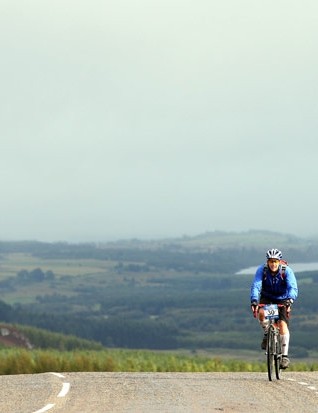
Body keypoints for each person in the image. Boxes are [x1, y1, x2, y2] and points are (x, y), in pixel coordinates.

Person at [250, 248, 298, 369]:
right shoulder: (262, 270)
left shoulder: (286, 271)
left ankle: (285, 356)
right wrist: (254, 300)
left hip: (283, 299)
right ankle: (267, 333)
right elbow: (256, 285)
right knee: (261, 313)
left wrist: (290, 300)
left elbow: (293, 287)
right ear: (267, 262)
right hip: (267, 297)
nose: (273, 264)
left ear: (279, 261)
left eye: (275, 261)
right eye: (271, 261)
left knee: (282, 325)